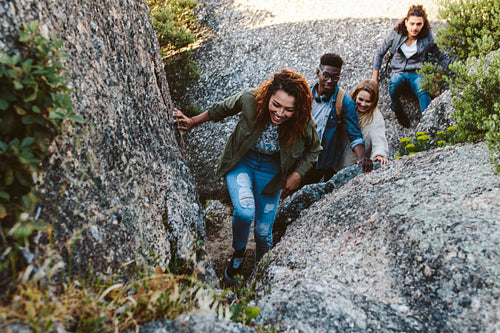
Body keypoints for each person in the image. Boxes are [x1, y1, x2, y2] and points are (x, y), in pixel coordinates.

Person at [173, 69, 321, 283]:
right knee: (244, 212)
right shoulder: (250, 98)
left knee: (263, 231)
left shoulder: (303, 121)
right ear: (268, 94)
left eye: (288, 109)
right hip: (242, 160)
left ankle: (263, 270)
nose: (280, 113)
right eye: (276, 104)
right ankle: (239, 253)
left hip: (272, 170)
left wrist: (298, 174)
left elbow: (314, 149)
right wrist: (193, 122)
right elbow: (221, 109)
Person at [371, 4, 451, 128]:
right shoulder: (396, 34)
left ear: (423, 24)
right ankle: (396, 108)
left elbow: (443, 57)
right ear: (406, 22)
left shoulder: (427, 37)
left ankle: (428, 123)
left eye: (419, 24)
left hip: (418, 72)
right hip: (399, 71)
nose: (415, 28)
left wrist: (436, 79)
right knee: (394, 82)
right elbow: (380, 52)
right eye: (412, 23)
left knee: (423, 89)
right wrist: (374, 79)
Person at [302, 53, 372, 186]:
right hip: (298, 156)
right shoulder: (305, 93)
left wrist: (362, 158)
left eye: (335, 77)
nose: (329, 81)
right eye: (326, 75)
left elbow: (355, 134)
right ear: (318, 72)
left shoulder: (344, 101)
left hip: (322, 161)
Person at [335, 79, 389, 170]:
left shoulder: (375, 117)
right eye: (360, 99)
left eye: (368, 101)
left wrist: (379, 154)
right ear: (356, 95)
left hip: (353, 166)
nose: (363, 104)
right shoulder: (347, 107)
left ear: (374, 101)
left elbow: (379, 139)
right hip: (334, 162)